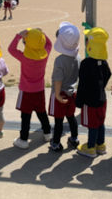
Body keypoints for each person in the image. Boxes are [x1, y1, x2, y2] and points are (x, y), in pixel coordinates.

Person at [8, 28, 52, 149]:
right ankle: (48, 133)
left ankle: (23, 139)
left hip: (26, 90)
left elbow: (11, 49)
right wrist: (42, 34)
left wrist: (18, 36)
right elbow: (49, 44)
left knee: (25, 116)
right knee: (42, 112)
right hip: (39, 90)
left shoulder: (24, 57)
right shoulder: (45, 55)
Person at [75, 27, 112, 158]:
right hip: (102, 98)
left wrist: (78, 101)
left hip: (89, 101)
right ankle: (100, 145)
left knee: (92, 125)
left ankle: (90, 147)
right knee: (100, 122)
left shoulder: (86, 64)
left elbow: (82, 85)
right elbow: (108, 74)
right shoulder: (103, 62)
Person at [48, 22, 81, 152]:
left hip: (60, 93)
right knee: (71, 117)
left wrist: (56, 95)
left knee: (58, 121)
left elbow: (58, 80)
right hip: (72, 93)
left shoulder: (60, 60)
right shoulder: (77, 57)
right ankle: (74, 138)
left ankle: (56, 142)